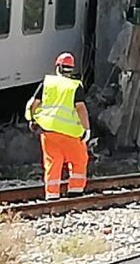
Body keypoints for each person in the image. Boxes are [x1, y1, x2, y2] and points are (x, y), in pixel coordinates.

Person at [25, 53, 92, 201]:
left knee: (52, 162)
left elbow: (33, 104)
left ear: (57, 67)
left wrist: (32, 120)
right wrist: (86, 129)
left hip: (48, 131)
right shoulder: (75, 86)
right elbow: (81, 109)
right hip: (71, 133)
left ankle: (52, 194)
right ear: (72, 69)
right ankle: (75, 191)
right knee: (79, 160)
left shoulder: (47, 83)